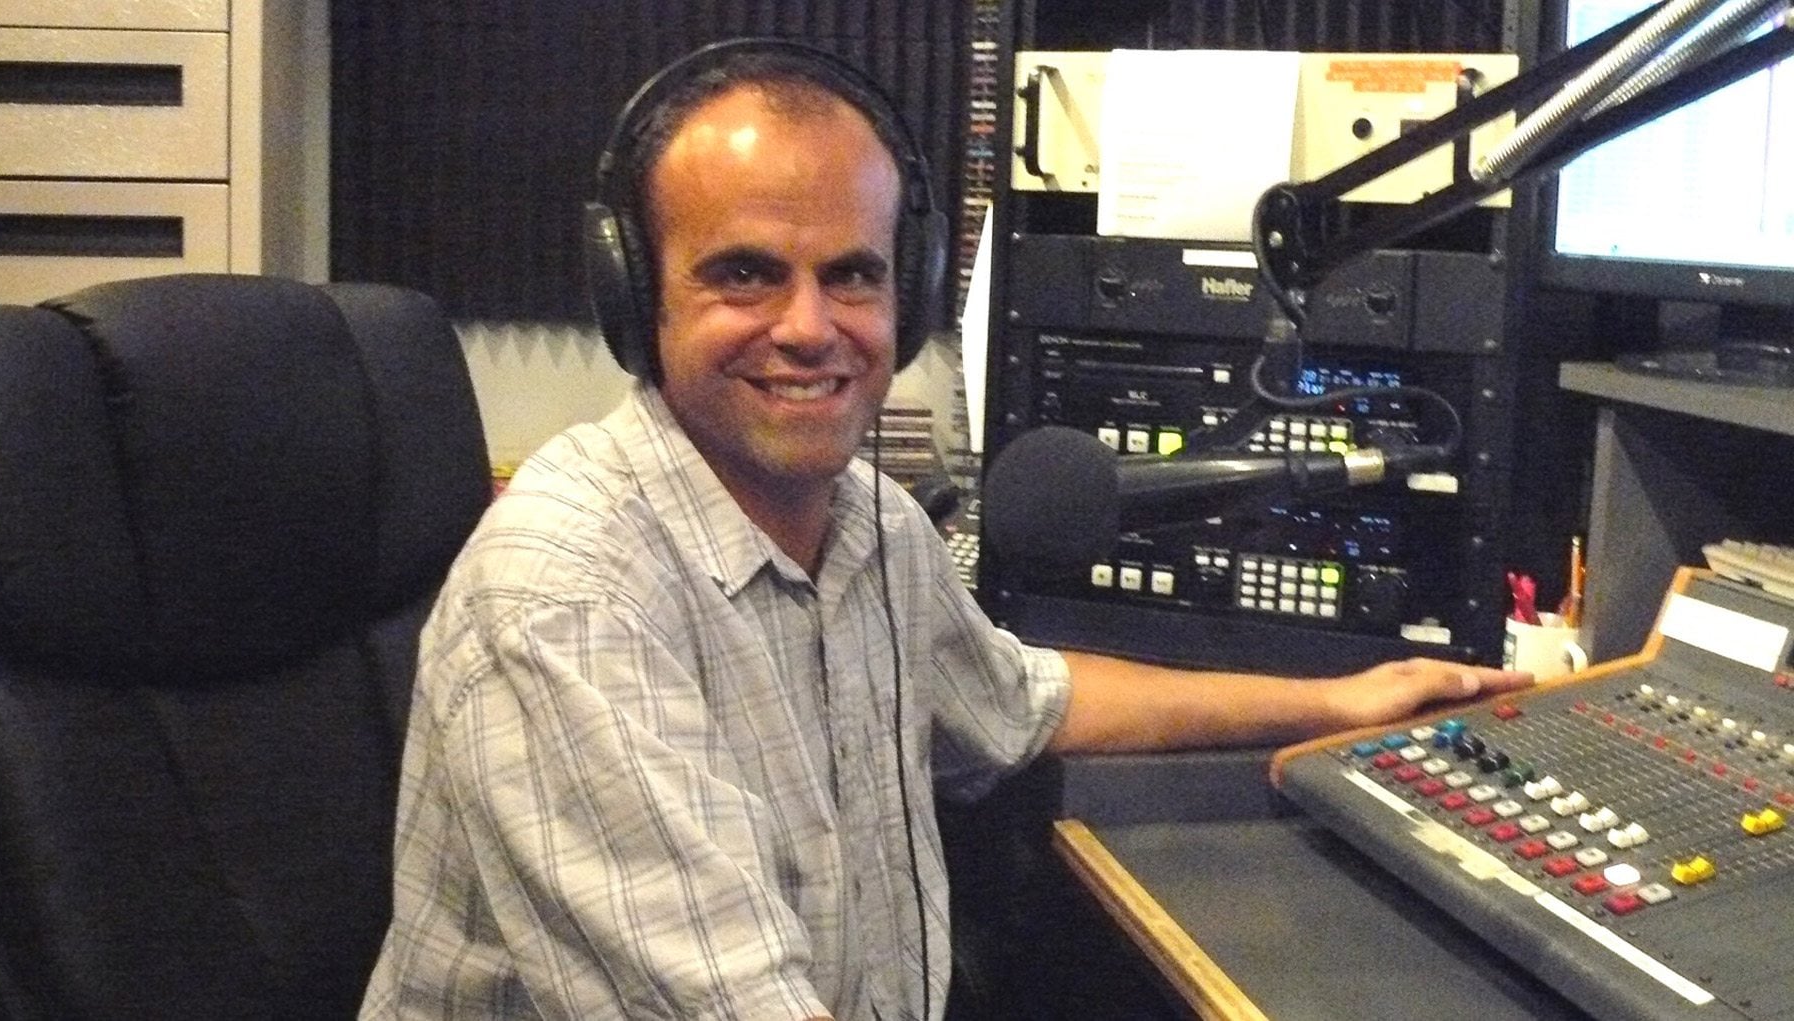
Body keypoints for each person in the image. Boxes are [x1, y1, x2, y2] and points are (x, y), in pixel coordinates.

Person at [360, 40, 1532, 1021]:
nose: (809, 327)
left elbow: (1024, 699)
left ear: (910, 291)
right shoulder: (569, 602)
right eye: (745, 275)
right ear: (635, 296)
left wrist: (1335, 702)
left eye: (853, 276)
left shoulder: (871, 527)